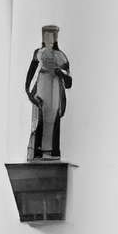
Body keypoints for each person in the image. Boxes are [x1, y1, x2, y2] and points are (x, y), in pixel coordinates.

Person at [24, 24, 72, 161]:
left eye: (52, 37)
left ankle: (52, 153)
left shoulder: (61, 56)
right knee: (40, 119)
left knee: (54, 117)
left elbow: (69, 82)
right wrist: (29, 92)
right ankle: (37, 153)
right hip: (41, 90)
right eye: (46, 36)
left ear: (56, 38)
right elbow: (30, 75)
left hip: (55, 90)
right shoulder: (38, 54)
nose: (49, 40)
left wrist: (60, 73)